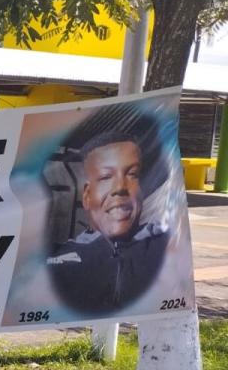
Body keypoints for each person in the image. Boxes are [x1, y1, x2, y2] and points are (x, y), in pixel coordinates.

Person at [48, 132, 170, 314]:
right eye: (106, 177)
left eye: (132, 174)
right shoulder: (57, 264)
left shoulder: (167, 245)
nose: (120, 187)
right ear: (87, 196)